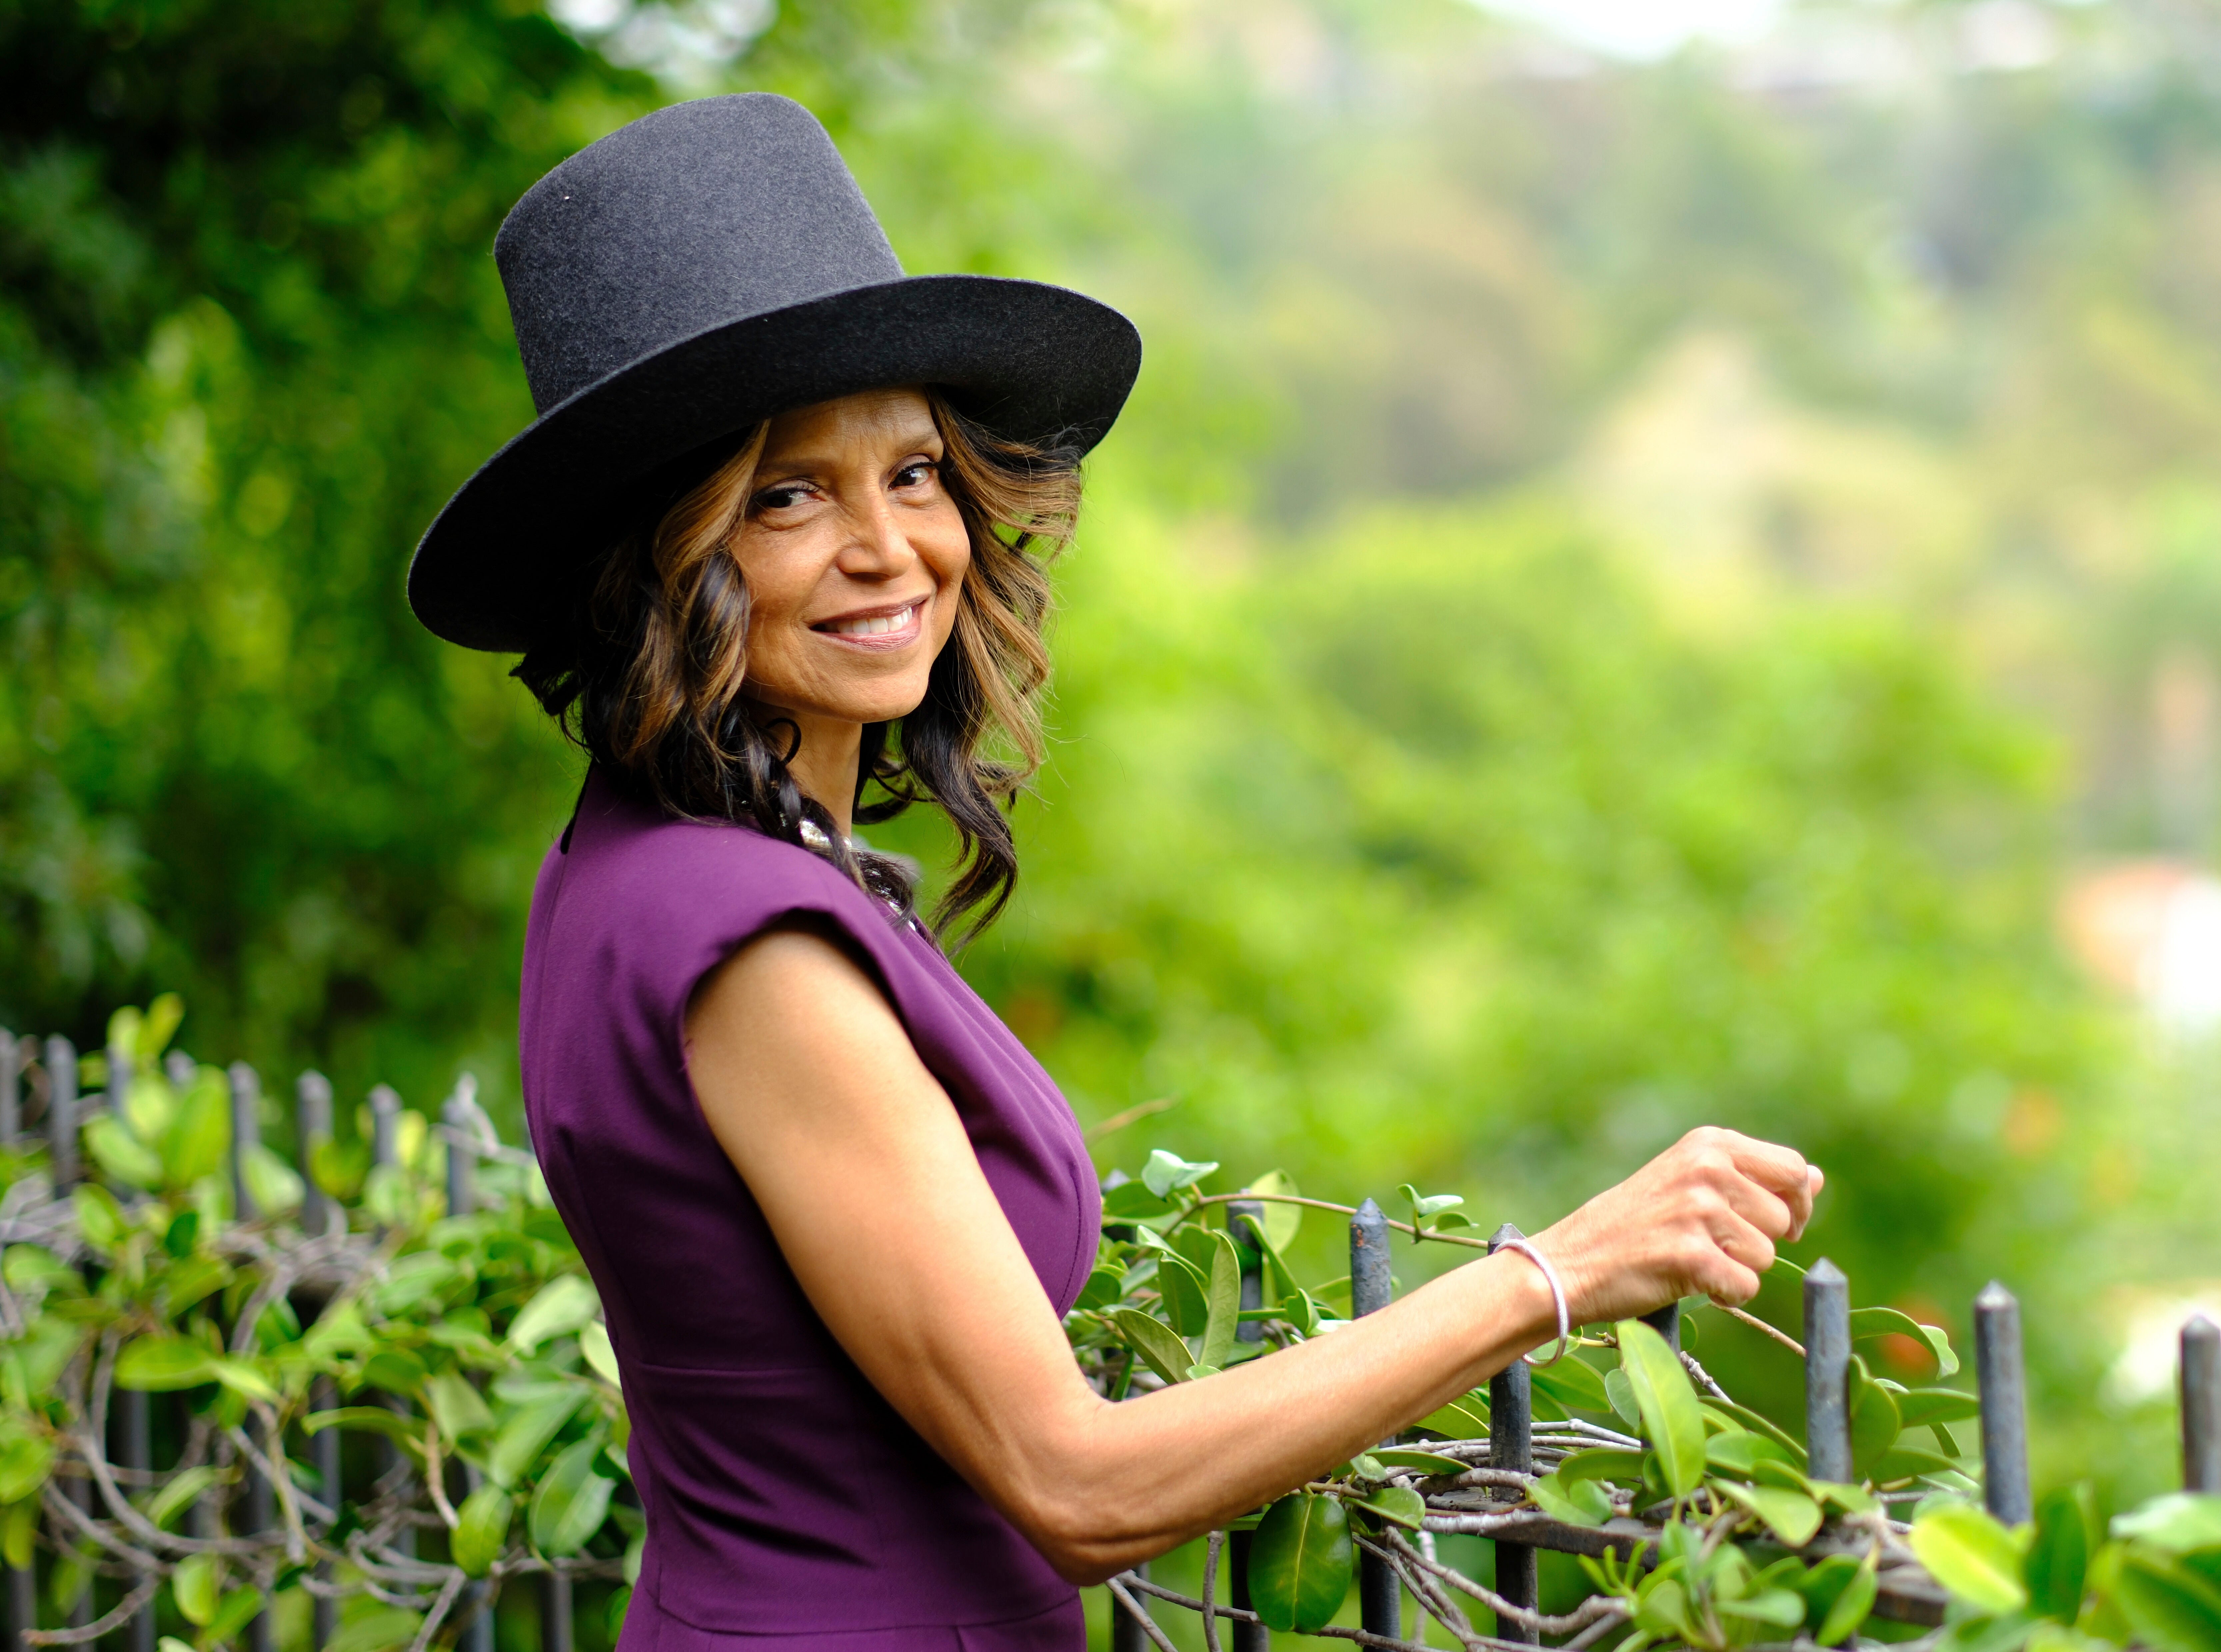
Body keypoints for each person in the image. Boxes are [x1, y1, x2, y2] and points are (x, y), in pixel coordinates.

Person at [409, 92, 1824, 1652]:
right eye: (787, 495)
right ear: (654, 558)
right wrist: (1553, 1273)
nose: (892, 548)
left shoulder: (635, 862)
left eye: (916, 473)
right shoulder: (754, 949)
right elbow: (1073, 1483)